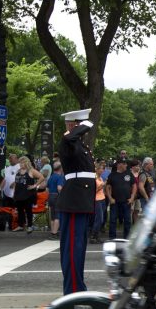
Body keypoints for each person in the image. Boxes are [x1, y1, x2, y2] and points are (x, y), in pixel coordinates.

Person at [57, 108, 96, 295]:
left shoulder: (80, 145)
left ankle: (78, 287)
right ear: (74, 125)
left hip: (81, 202)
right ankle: (73, 290)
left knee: (78, 249)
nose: (85, 131)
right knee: (73, 249)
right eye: (81, 125)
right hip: (74, 201)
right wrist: (86, 124)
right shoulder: (68, 141)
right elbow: (70, 137)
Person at [12, 156, 45, 233]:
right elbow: (16, 182)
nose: (20, 164)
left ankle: (30, 226)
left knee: (28, 210)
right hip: (18, 194)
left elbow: (41, 177)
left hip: (28, 194)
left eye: (22, 163)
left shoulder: (31, 171)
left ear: (26, 163)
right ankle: (21, 225)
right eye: (20, 163)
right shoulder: (18, 171)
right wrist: (14, 192)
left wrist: (35, 185)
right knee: (20, 210)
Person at [106, 157, 137, 240]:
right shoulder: (112, 175)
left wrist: (132, 197)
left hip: (126, 201)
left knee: (127, 220)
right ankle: (112, 238)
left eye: (126, 164)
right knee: (113, 220)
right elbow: (107, 187)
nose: (126, 165)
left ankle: (127, 238)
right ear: (119, 165)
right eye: (124, 164)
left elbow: (134, 186)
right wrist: (110, 198)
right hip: (114, 202)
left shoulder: (129, 174)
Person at [89, 161, 107, 243]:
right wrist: (103, 185)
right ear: (97, 169)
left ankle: (96, 235)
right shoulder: (94, 178)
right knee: (99, 218)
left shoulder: (100, 178)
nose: (102, 170)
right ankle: (93, 235)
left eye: (103, 169)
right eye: (101, 169)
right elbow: (93, 190)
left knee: (100, 218)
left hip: (102, 199)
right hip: (97, 200)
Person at [46, 162, 65, 238]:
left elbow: (47, 189)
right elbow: (59, 188)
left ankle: (52, 231)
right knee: (57, 215)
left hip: (50, 196)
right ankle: (55, 233)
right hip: (57, 196)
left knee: (53, 216)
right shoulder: (60, 177)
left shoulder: (51, 177)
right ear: (61, 168)